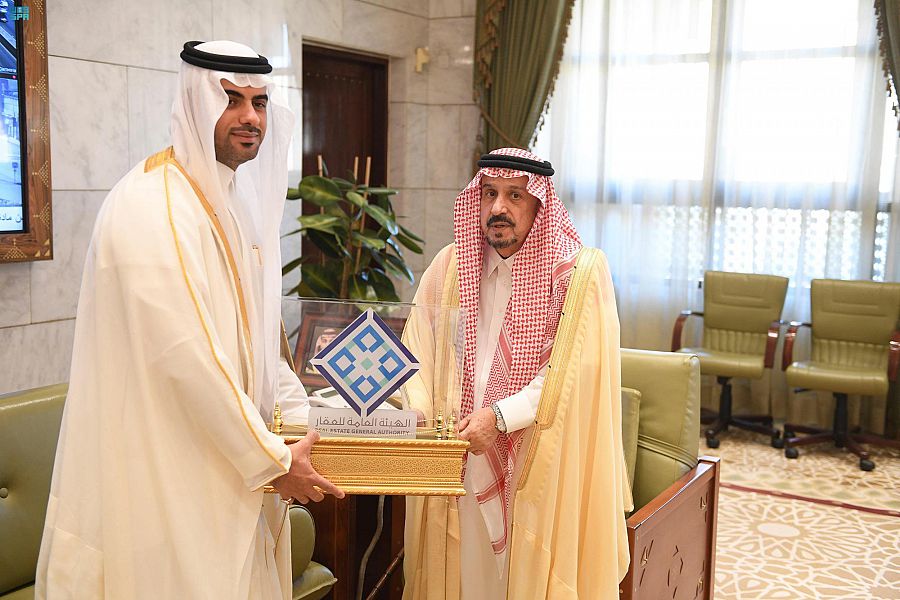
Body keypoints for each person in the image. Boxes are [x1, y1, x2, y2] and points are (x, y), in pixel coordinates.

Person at [35, 40, 343, 600]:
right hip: (166, 474)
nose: (250, 117)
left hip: (229, 468)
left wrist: (312, 420)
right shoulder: (153, 205)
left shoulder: (225, 199)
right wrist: (272, 459)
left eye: (259, 102)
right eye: (230, 99)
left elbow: (256, 344)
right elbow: (188, 359)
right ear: (196, 101)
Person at [402, 148, 632, 599]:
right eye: (489, 193)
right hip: (455, 454)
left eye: (514, 195)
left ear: (539, 204)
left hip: (531, 456)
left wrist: (500, 418)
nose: (498, 208)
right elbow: (417, 348)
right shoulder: (450, 267)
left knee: (515, 578)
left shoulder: (577, 275)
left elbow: (568, 375)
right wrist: (424, 417)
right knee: (462, 574)